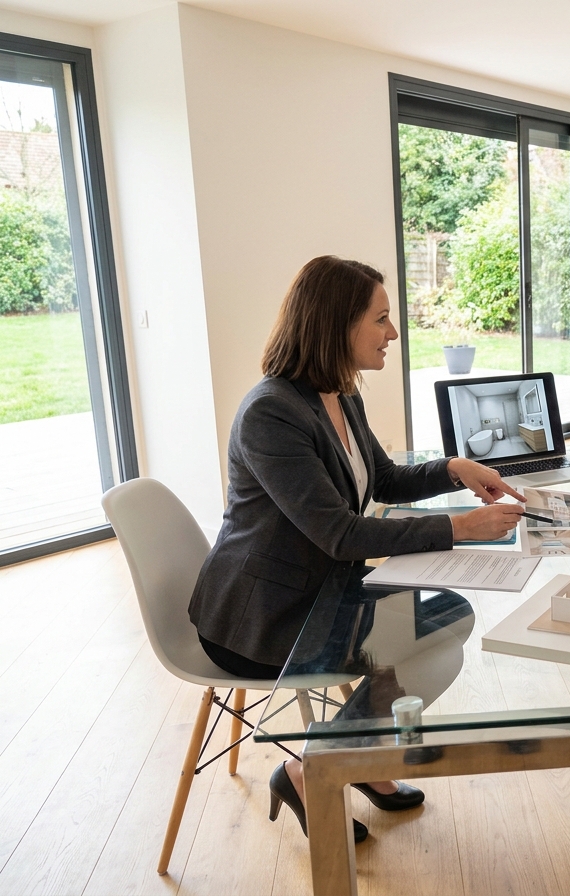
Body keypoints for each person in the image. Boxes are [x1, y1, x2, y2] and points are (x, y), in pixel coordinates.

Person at [188, 256, 525, 842]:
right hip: (265, 617)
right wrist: (460, 529)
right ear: (336, 325)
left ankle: (353, 757)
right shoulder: (271, 413)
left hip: (325, 590)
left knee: (445, 620)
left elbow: (384, 480)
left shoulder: (340, 394)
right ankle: (312, 770)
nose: (393, 333)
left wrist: (452, 467)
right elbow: (340, 534)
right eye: (382, 319)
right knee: (426, 639)